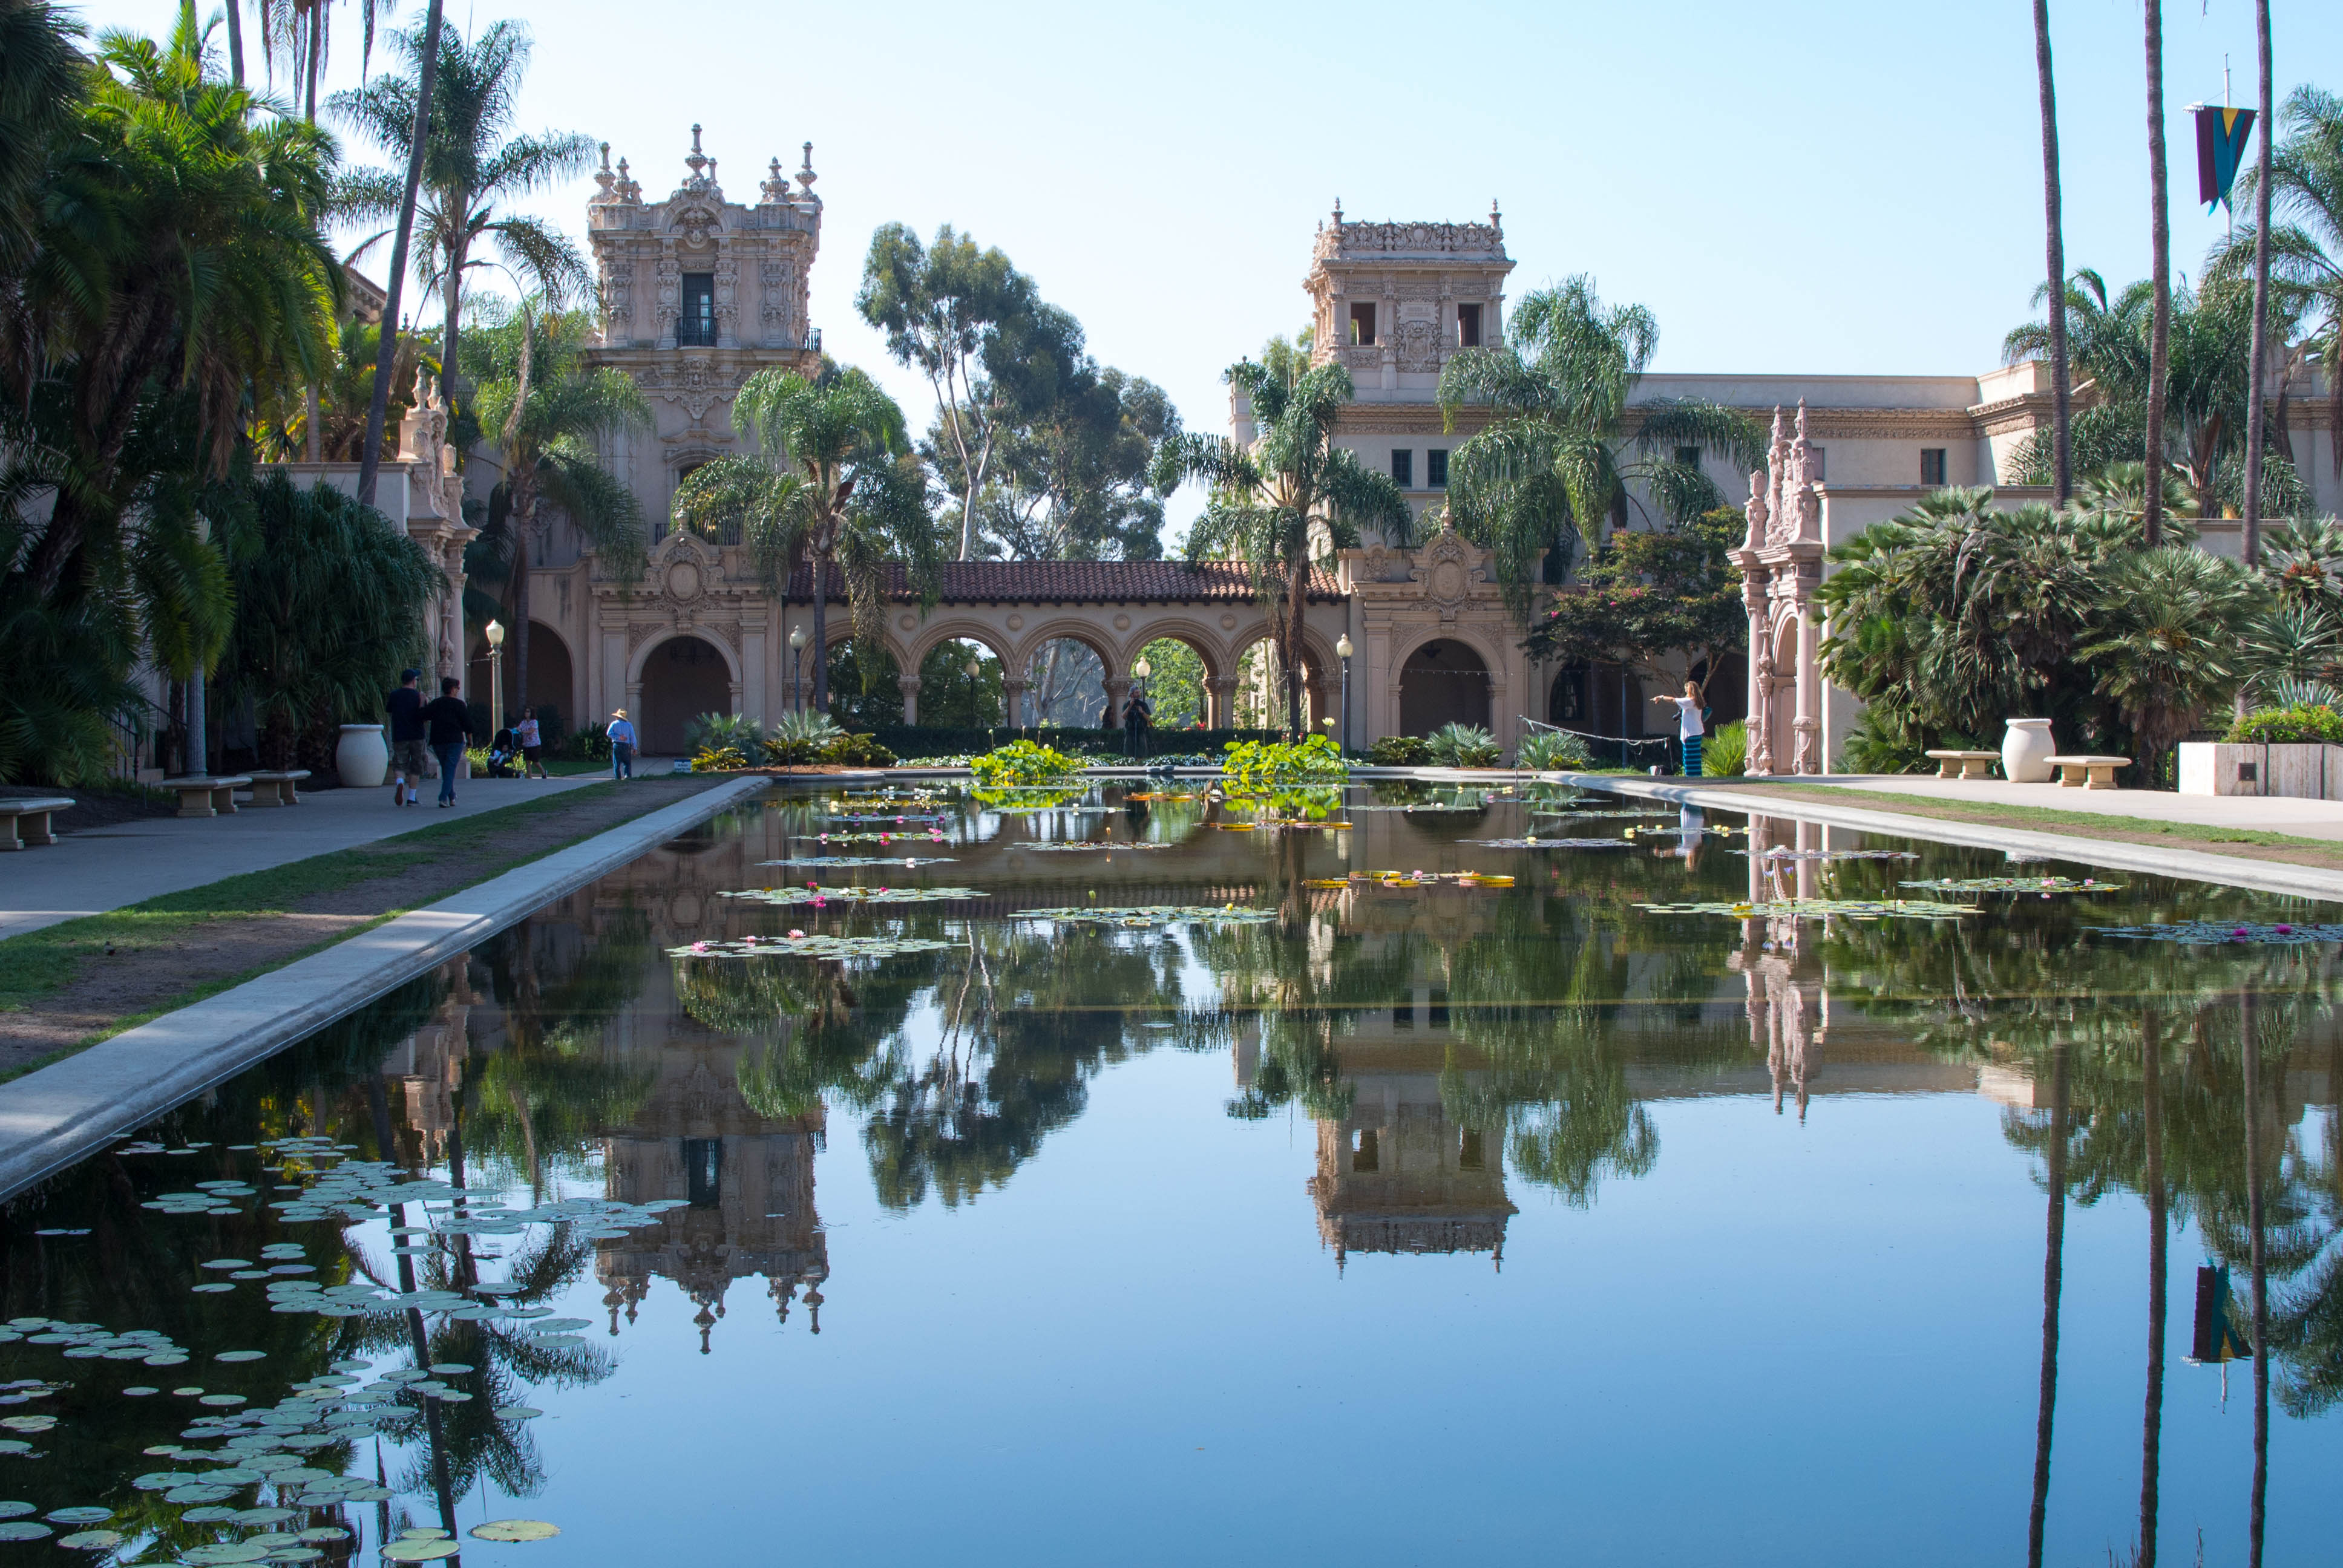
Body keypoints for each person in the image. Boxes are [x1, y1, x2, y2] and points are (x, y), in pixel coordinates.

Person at [419, 677, 472, 808]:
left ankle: (452, 796)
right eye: (457, 688)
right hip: (454, 740)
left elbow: (423, 715)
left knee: (447, 769)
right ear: (453, 689)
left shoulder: (437, 703)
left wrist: (421, 703)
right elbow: (467, 724)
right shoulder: (460, 705)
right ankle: (443, 798)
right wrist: (470, 740)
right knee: (449, 769)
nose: (458, 690)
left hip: (438, 741)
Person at [385, 668, 426, 807]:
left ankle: (400, 783)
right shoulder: (418, 696)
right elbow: (423, 716)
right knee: (416, 766)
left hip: (400, 735)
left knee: (400, 764)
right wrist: (422, 702)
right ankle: (412, 798)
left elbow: (390, 711)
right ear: (414, 681)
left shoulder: (394, 695)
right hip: (417, 735)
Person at [1651, 679, 1706, 777]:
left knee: (1689, 757)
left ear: (1690, 691)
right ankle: (1697, 776)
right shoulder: (1697, 702)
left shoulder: (1690, 701)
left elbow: (1673, 700)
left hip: (1691, 733)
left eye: (1687, 690)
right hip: (1697, 732)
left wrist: (1661, 697)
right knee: (1695, 757)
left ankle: (1691, 776)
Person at [515, 711, 547, 779]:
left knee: (535, 762)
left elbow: (531, 731)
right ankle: (529, 776)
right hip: (526, 744)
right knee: (527, 761)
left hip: (535, 744)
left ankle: (544, 772)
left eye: (528, 712)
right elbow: (519, 728)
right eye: (526, 712)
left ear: (531, 713)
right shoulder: (523, 722)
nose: (526, 713)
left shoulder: (534, 722)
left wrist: (523, 732)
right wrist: (516, 730)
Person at [607, 708, 637, 780]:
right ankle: (627, 776)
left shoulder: (614, 724)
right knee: (627, 762)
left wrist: (618, 737)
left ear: (617, 716)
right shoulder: (629, 725)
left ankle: (618, 778)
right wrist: (634, 747)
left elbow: (609, 733)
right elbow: (632, 736)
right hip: (626, 746)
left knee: (616, 763)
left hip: (617, 744)